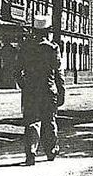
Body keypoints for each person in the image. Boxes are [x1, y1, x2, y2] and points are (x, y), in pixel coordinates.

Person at [16, 15, 65, 166]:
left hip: (31, 91)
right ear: (48, 31)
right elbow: (58, 72)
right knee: (49, 120)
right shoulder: (53, 48)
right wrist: (61, 90)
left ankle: (31, 152)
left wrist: (24, 85)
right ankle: (51, 151)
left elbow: (17, 71)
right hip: (48, 90)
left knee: (32, 121)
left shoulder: (25, 47)